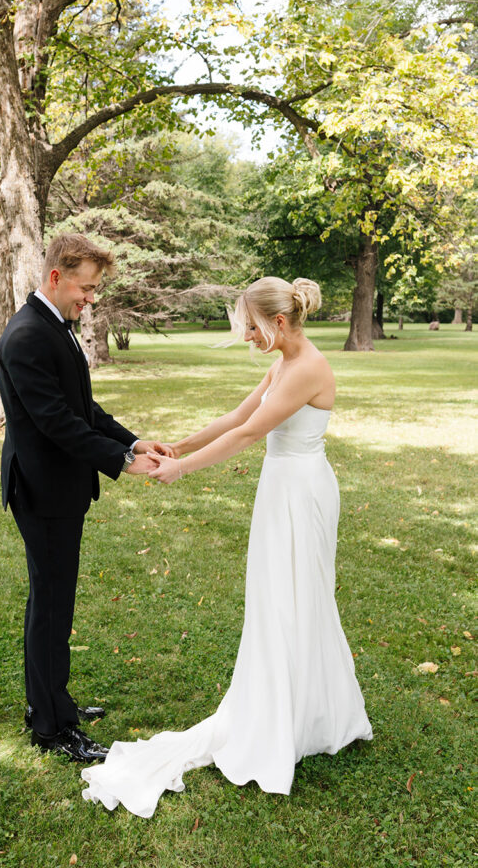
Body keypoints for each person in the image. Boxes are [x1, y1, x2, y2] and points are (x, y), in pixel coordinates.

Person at [81, 276, 373, 815]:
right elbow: (236, 417)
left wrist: (180, 471)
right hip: (280, 487)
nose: (248, 338)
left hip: (301, 493)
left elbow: (248, 435)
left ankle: (303, 716)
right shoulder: (284, 361)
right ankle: (293, 709)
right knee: (274, 598)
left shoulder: (307, 366)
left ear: (279, 322)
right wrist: (178, 444)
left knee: (299, 597)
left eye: (253, 328)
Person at [0, 233, 171, 763]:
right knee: (50, 608)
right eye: (86, 288)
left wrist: (133, 440)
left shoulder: (57, 327)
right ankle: (51, 727)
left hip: (62, 490)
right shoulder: (28, 336)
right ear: (56, 277)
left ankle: (52, 702)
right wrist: (122, 462)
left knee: (52, 603)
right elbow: (56, 424)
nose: (91, 298)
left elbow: (85, 409)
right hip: (44, 492)